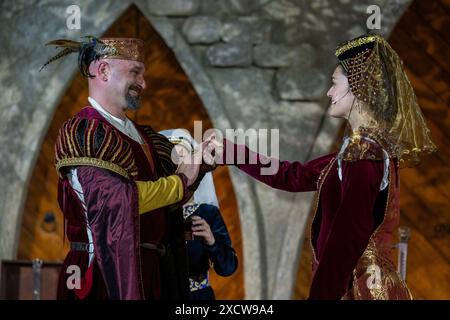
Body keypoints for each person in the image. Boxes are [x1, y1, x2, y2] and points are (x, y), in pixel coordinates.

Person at [207, 33, 437, 299]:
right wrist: (231, 151)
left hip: (357, 286)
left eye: (334, 83)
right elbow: (293, 176)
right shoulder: (363, 149)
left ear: (358, 87)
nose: (329, 92)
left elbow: (348, 237)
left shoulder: (363, 152)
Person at [41, 36, 211, 300]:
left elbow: (169, 198)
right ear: (103, 70)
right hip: (104, 275)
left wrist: (200, 165)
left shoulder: (145, 136)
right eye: (135, 72)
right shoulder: (84, 132)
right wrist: (179, 182)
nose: (143, 83)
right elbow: (115, 201)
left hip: (152, 274)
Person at [160, 129, 238, 300]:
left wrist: (212, 241)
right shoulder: (152, 214)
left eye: (184, 159)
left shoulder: (207, 213)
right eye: (172, 160)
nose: (179, 167)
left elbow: (228, 268)